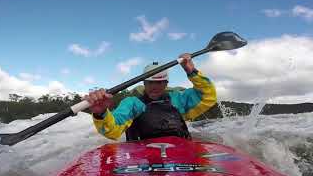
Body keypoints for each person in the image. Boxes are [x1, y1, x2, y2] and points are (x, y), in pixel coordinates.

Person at [84, 53, 217, 141]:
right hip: (142, 160)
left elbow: (208, 96)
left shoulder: (178, 99)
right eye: (150, 82)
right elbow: (112, 131)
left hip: (178, 157)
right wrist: (101, 113)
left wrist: (191, 71)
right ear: (144, 83)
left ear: (166, 83)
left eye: (159, 82)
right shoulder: (132, 104)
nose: (154, 86)